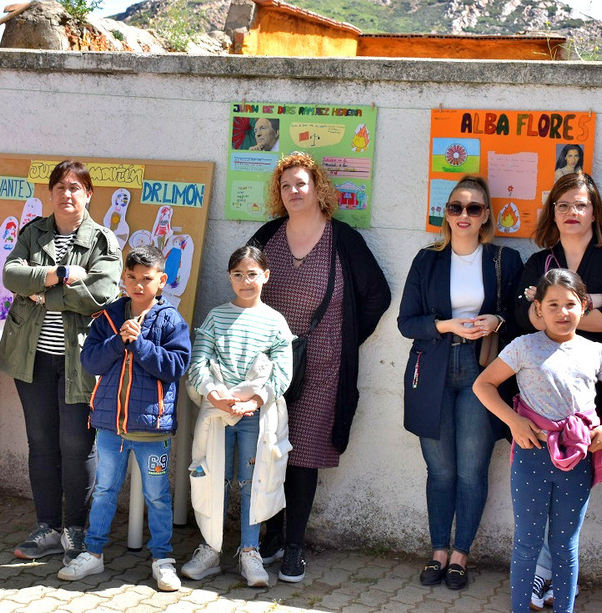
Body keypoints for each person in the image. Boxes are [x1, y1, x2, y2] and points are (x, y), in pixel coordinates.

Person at [248, 153, 391, 583]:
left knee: (304, 455)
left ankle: (294, 546)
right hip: (269, 365)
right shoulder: (269, 235)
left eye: (301, 183)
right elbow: (244, 280)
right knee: (266, 448)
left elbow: (378, 296)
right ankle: (270, 535)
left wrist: (343, 339)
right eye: (286, 185)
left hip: (324, 367)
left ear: (318, 188)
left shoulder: (342, 239)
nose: (294, 191)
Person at [514, 172, 602, 607]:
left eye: (580, 205)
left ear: (595, 211)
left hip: (599, 393)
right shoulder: (539, 261)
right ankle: (546, 574)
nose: (572, 213)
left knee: (574, 485)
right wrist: (594, 302)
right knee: (542, 486)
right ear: (552, 211)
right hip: (542, 399)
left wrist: (556, 311)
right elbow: (522, 317)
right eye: (563, 205)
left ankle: (551, 573)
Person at [474, 268, 602, 613]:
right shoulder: (523, 346)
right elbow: (483, 385)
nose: (562, 313)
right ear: (539, 310)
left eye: (570, 304)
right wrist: (514, 421)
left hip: (576, 461)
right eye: (553, 305)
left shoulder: (596, 352)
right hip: (532, 459)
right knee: (527, 543)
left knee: (565, 544)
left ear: (584, 306)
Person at [398, 176, 523, 591]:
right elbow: (406, 321)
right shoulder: (426, 259)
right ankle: (437, 550)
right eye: (456, 207)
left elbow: (523, 315)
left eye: (473, 208)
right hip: (431, 367)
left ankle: (460, 555)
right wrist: (446, 325)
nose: (464, 215)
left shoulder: (505, 259)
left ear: (486, 215)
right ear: (445, 214)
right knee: (440, 470)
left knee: (471, 470)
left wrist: (498, 320)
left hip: (482, 369)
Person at [0, 160, 123, 563]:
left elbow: (100, 292)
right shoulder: (34, 231)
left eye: (75, 187)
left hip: (79, 360)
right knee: (42, 444)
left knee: (76, 444)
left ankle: (76, 531)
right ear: (50, 193)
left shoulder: (103, 239)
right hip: (31, 358)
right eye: (59, 187)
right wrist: (57, 274)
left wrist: (42, 291)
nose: (67, 194)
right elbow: (12, 275)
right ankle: (47, 526)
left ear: (88, 194)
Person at [57, 245, 191, 591]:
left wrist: (141, 344)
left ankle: (162, 559)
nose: (138, 284)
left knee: (157, 495)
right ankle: (94, 554)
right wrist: (120, 341)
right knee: (104, 490)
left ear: (161, 281)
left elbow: (176, 366)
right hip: (109, 426)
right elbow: (91, 363)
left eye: (146, 279)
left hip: (151, 429)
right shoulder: (108, 317)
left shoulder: (171, 320)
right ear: (123, 278)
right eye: (131, 277)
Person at [181, 246, 293, 588]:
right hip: (217, 412)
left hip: (254, 416)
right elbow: (198, 363)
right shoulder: (215, 317)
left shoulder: (275, 321)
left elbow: (282, 373)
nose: (246, 281)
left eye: (253, 274)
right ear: (230, 277)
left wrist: (255, 400)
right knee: (211, 477)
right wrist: (214, 394)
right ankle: (211, 551)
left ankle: (250, 552)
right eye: (238, 274)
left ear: (266, 276)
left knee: (252, 481)